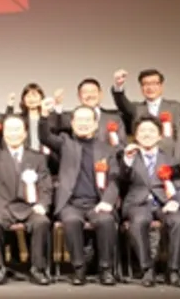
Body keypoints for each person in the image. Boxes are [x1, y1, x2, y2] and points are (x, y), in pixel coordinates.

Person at [39, 101, 120, 286]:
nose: (83, 124)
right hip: (71, 203)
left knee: (106, 221)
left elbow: (114, 179)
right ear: (72, 123)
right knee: (71, 221)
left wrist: (107, 201)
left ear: (95, 124)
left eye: (87, 120)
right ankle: (78, 268)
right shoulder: (65, 143)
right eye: (79, 120)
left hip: (97, 203)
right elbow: (45, 136)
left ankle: (105, 269)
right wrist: (44, 116)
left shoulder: (107, 149)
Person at [0, 115, 52, 286]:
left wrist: (43, 204)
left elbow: (45, 184)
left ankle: (37, 268)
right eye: (9, 130)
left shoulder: (37, 157)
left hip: (30, 206)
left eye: (17, 129)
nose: (13, 134)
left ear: (25, 133)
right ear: (4, 134)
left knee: (42, 222)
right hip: (3, 206)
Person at [120, 116, 180, 287]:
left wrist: (176, 202)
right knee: (139, 220)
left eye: (151, 131)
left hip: (164, 202)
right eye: (142, 131)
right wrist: (127, 160)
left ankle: (173, 270)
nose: (147, 134)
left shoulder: (170, 159)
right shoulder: (127, 156)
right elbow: (120, 179)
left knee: (178, 220)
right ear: (135, 135)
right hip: (138, 204)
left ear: (159, 136)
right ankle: (147, 269)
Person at [111, 68, 180, 157]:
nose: (150, 88)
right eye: (146, 84)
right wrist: (118, 86)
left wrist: (178, 160)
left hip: (168, 158)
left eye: (154, 83)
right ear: (141, 87)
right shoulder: (136, 108)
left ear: (161, 86)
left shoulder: (175, 107)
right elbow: (122, 104)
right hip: (142, 158)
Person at [56, 78, 127, 150]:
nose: (90, 95)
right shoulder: (71, 117)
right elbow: (56, 128)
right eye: (85, 92)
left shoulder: (114, 119)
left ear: (101, 94)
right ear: (79, 96)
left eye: (93, 91)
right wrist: (57, 106)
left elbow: (122, 146)